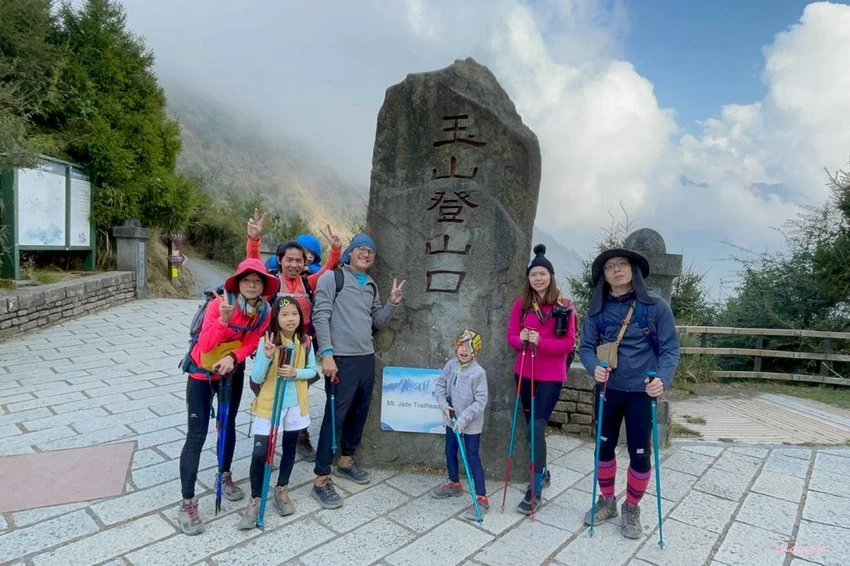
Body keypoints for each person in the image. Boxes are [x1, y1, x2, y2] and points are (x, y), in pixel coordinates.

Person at [578, 248, 679, 538]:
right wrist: (592, 367)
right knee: (604, 447)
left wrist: (662, 379)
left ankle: (632, 506)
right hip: (608, 388)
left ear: (633, 270)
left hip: (641, 391)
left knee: (640, 451)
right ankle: (607, 499)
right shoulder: (597, 310)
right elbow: (585, 347)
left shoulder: (656, 307)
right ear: (604, 275)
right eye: (610, 266)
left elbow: (671, 349)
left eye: (622, 264)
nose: (616, 270)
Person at [177, 258, 280, 536]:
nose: (252, 285)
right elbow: (205, 344)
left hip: (231, 371)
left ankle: (224, 475)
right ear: (238, 282)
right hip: (201, 373)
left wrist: (233, 358)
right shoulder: (219, 304)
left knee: (228, 424)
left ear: (263, 286)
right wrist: (223, 320)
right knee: (196, 436)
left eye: (257, 281)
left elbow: (251, 342)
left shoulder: (263, 310)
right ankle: (187, 501)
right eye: (247, 280)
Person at [310, 233, 406, 508]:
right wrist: (326, 355)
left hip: (365, 357)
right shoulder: (333, 278)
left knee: (358, 412)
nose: (366, 254)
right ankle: (320, 478)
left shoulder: (372, 285)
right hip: (340, 358)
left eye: (371, 252)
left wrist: (392, 302)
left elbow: (378, 321)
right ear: (349, 252)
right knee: (334, 416)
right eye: (361, 249)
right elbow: (321, 315)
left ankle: (345, 459)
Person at [245, 209, 343, 462]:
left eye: (299, 260)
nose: (294, 265)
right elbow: (253, 265)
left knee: (299, 393)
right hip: (271, 349)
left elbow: (330, 267)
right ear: (279, 260)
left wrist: (335, 250)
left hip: (301, 349)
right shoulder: (271, 283)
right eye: (289, 259)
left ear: (305, 263)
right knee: (268, 394)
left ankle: (300, 436)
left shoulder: (309, 282)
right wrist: (253, 240)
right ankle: (266, 444)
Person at [506, 244, 577, 514]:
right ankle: (543, 472)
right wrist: (521, 338)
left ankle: (534, 488)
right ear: (528, 278)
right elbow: (511, 337)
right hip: (524, 373)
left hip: (550, 376)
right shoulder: (520, 305)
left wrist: (541, 341)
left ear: (551, 276)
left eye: (542, 274)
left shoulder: (564, 306)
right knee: (529, 428)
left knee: (537, 427)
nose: (538, 278)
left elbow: (568, 344)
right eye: (534, 274)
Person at [238, 296, 318, 529]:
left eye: (294, 314)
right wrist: (266, 355)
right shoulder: (269, 340)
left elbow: (312, 370)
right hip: (270, 403)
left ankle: (281, 488)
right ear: (276, 317)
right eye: (284, 314)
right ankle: (256, 498)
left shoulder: (305, 341)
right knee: (260, 453)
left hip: (295, 403)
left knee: (290, 447)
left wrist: (295, 373)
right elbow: (256, 378)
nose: (290, 318)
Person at [430, 329, 489, 521]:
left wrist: (462, 421)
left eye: (469, 348)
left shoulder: (478, 373)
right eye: (461, 346)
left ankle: (481, 497)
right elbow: (440, 386)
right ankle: (454, 483)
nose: (464, 350)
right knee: (450, 451)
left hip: (469, 424)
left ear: (475, 352)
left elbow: (480, 402)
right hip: (451, 420)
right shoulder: (451, 365)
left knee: (472, 457)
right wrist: (443, 405)